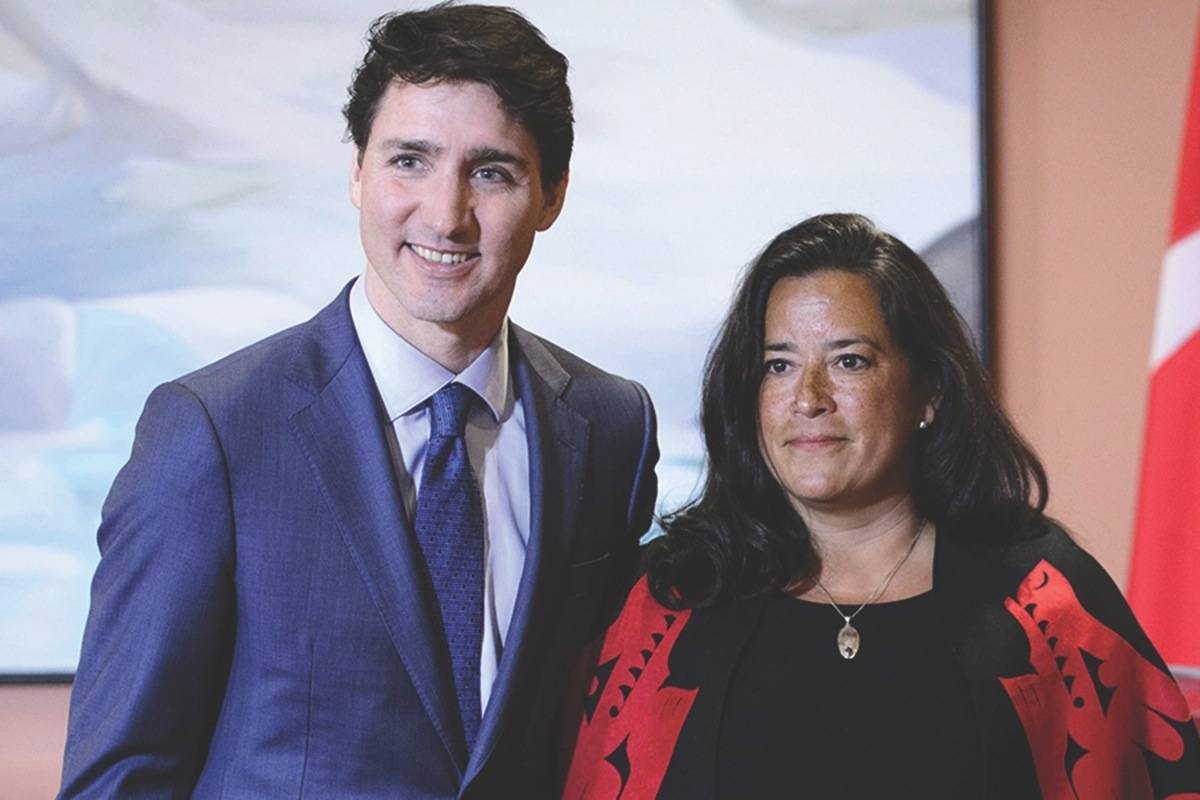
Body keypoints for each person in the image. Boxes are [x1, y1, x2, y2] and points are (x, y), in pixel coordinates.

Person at [59, 5, 658, 798]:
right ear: (357, 172)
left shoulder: (610, 429)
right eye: (410, 160)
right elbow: (117, 779)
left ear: (552, 196)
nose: (445, 214)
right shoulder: (214, 433)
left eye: (491, 172)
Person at [562, 213, 1200, 799]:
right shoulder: (667, 598)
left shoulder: (1045, 601)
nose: (808, 398)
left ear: (929, 390)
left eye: (849, 361)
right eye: (778, 366)